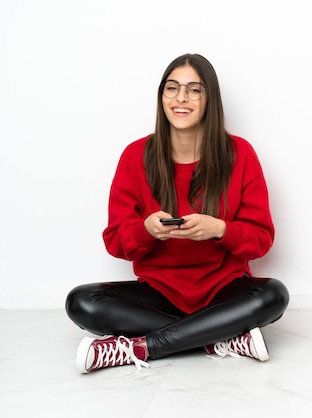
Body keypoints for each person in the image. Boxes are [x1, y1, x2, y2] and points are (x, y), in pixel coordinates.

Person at [65, 53, 289, 373]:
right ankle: (220, 338)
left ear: (210, 99)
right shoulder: (135, 156)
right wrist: (146, 230)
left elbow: (261, 239)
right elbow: (115, 241)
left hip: (222, 291)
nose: (181, 98)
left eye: (194, 90)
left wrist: (219, 229)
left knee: (273, 295)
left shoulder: (240, 154)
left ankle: (139, 348)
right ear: (161, 97)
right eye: (172, 88)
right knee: (81, 301)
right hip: (158, 292)